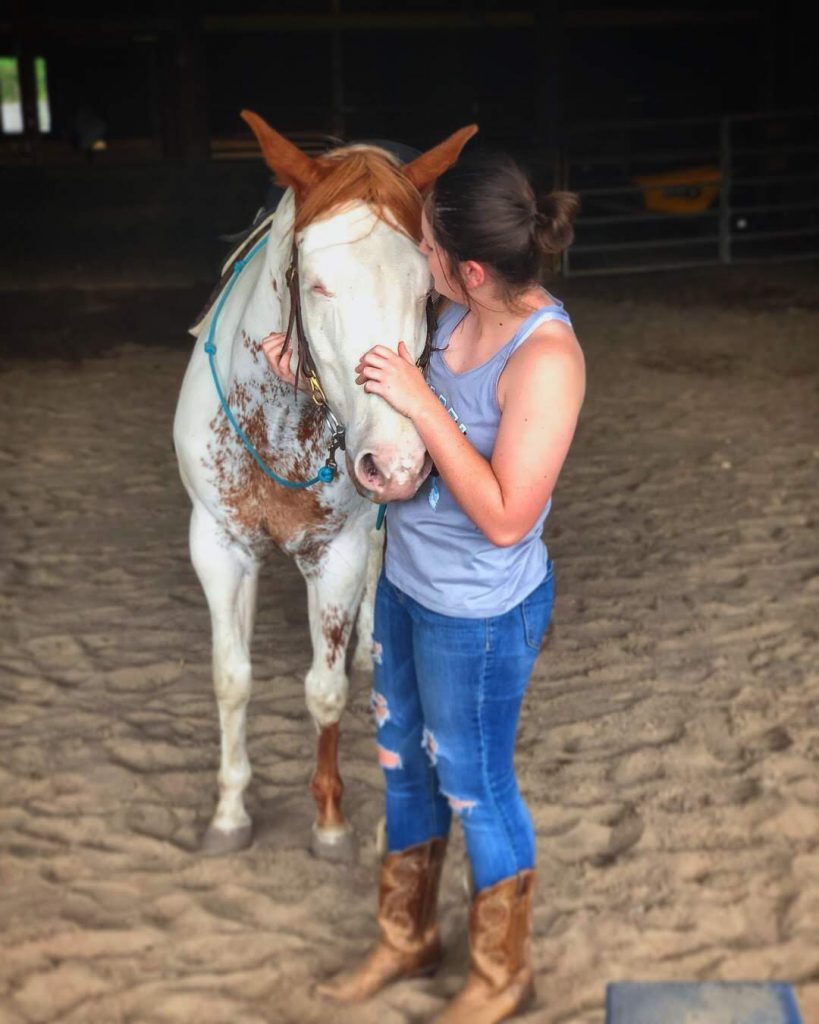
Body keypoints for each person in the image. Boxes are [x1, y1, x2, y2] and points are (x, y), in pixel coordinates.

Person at [263, 151, 584, 1023]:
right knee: (403, 770)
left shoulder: (544, 358)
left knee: (475, 786)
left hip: (476, 616)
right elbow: (403, 442)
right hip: (404, 587)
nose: (422, 266)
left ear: (469, 270)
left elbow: (509, 517)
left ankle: (499, 975)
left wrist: (419, 395)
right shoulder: (445, 317)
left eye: (429, 254)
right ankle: (408, 937)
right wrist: (312, 373)